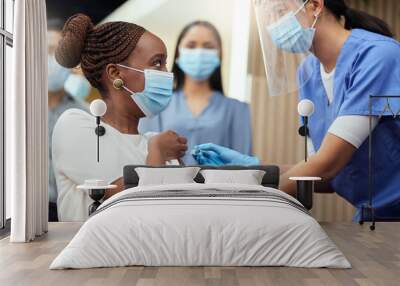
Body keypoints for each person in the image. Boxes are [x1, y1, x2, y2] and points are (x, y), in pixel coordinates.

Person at [195, 0, 400, 221]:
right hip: (373, 216)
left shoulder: (377, 55)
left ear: (314, 5)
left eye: (280, 12)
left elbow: (328, 164)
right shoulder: (308, 72)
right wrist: (256, 170)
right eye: (269, 17)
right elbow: (321, 176)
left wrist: (258, 197)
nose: (274, 25)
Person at [52, 14, 187, 221]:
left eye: (165, 64)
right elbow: (136, 205)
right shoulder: (74, 125)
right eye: (157, 63)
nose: (167, 74)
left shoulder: (150, 140)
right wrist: (158, 152)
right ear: (115, 73)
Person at [139, 21, 253, 165]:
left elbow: (244, 167)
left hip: (221, 186)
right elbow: (145, 156)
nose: (199, 52)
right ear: (179, 52)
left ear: (220, 54)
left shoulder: (238, 109)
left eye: (208, 46)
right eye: (191, 45)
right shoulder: (155, 103)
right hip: (165, 186)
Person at [47, 27, 88, 222]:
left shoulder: (85, 113)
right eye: (46, 51)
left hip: (72, 214)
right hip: (25, 210)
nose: (53, 60)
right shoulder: (12, 111)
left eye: (58, 53)